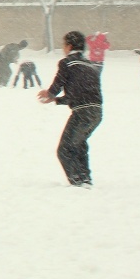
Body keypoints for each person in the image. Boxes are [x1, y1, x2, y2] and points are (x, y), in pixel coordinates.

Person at [37, 31, 102, 188]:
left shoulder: (67, 63)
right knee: (79, 144)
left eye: (64, 45)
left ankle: (77, 182)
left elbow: (59, 82)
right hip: (97, 112)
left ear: (69, 46)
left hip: (82, 112)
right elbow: (79, 93)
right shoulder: (90, 65)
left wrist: (50, 93)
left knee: (64, 150)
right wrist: (57, 100)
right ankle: (85, 179)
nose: (63, 48)